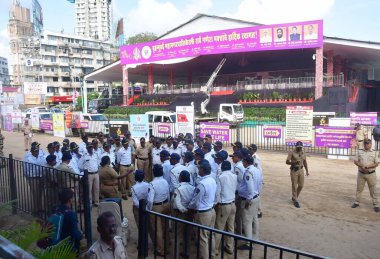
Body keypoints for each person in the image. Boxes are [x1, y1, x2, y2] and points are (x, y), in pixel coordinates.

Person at [188, 159, 217, 259]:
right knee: (210, 235)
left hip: (203, 213)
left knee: (202, 238)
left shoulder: (202, 183)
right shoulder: (212, 180)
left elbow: (196, 201)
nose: (198, 170)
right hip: (211, 210)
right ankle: (212, 255)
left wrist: (189, 207)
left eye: (200, 168)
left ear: (203, 170)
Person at [237, 156, 262, 250]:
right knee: (254, 219)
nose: (242, 163)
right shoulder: (256, 170)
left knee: (247, 221)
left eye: (243, 161)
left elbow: (250, 188)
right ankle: (255, 238)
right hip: (256, 197)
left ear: (246, 162)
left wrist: (248, 200)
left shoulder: (248, 172)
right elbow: (260, 184)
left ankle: (249, 243)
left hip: (249, 199)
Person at [214, 161, 237, 255]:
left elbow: (218, 193)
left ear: (222, 168)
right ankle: (230, 247)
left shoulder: (220, 177)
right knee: (230, 227)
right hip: (232, 204)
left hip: (224, 205)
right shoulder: (234, 176)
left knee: (219, 227)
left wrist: (215, 204)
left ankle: (214, 249)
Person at [148, 164, 170, 256]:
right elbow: (168, 194)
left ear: (153, 173)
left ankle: (160, 249)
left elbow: (150, 200)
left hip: (156, 207)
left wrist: (148, 209)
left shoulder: (152, 184)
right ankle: (167, 244)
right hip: (165, 204)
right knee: (166, 226)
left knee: (158, 229)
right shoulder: (165, 181)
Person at [172, 170, 195, 257]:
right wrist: (189, 210)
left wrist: (184, 210)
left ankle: (176, 255)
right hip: (190, 213)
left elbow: (177, 203)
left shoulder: (178, 189)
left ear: (181, 178)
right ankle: (187, 253)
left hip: (180, 213)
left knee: (177, 235)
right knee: (187, 234)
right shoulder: (192, 188)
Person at [352, 139, 379, 212]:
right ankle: (357, 202)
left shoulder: (375, 152)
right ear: (363, 144)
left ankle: (376, 204)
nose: (366, 145)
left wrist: (367, 167)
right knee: (359, 189)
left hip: (371, 174)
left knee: (373, 190)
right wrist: (362, 166)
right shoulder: (359, 151)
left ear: (370, 144)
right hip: (361, 174)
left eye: (368, 144)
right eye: (365, 144)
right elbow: (355, 161)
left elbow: (376, 163)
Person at [285, 141, 309, 208]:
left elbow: (305, 162)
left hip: (301, 170)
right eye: (298, 147)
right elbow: (287, 162)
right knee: (294, 186)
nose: (299, 149)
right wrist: (293, 163)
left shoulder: (303, 153)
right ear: (296, 147)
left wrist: (307, 171)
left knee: (301, 185)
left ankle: (295, 197)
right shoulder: (291, 152)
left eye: (300, 147)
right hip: (294, 170)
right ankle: (295, 200)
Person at [24, 146, 44, 215]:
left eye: (37, 151)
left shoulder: (39, 158)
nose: (37, 152)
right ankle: (36, 209)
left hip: (40, 177)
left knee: (40, 193)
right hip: (33, 177)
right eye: (35, 151)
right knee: (35, 194)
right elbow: (25, 170)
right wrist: (28, 178)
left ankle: (40, 207)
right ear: (32, 152)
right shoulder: (29, 159)